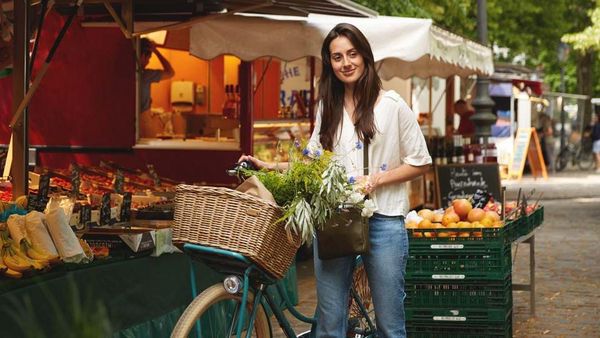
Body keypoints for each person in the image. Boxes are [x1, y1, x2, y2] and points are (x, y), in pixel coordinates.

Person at [240, 23, 431, 337]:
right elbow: (313, 161)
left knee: (390, 324)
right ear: (330, 63)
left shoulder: (393, 106)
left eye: (352, 54)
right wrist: (269, 165)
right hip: (334, 219)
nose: (346, 63)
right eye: (338, 57)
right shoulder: (326, 107)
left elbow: (420, 162)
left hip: (383, 220)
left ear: (365, 57)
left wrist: (376, 180)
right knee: (330, 324)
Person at [139, 38, 174, 137]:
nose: (148, 62)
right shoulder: (145, 75)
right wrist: (156, 51)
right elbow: (170, 73)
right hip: (143, 123)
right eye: (148, 58)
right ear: (142, 56)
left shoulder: (125, 74)